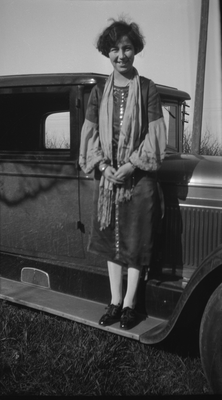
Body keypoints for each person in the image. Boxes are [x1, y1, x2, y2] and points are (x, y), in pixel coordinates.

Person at [79, 18, 166, 330]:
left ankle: (130, 304)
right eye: (115, 49)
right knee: (110, 241)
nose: (121, 55)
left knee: (135, 241)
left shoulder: (148, 89)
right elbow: (89, 139)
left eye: (127, 48)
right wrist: (104, 167)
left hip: (138, 180)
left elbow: (155, 139)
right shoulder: (98, 93)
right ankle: (114, 300)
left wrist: (130, 166)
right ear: (107, 53)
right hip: (107, 181)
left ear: (135, 50)